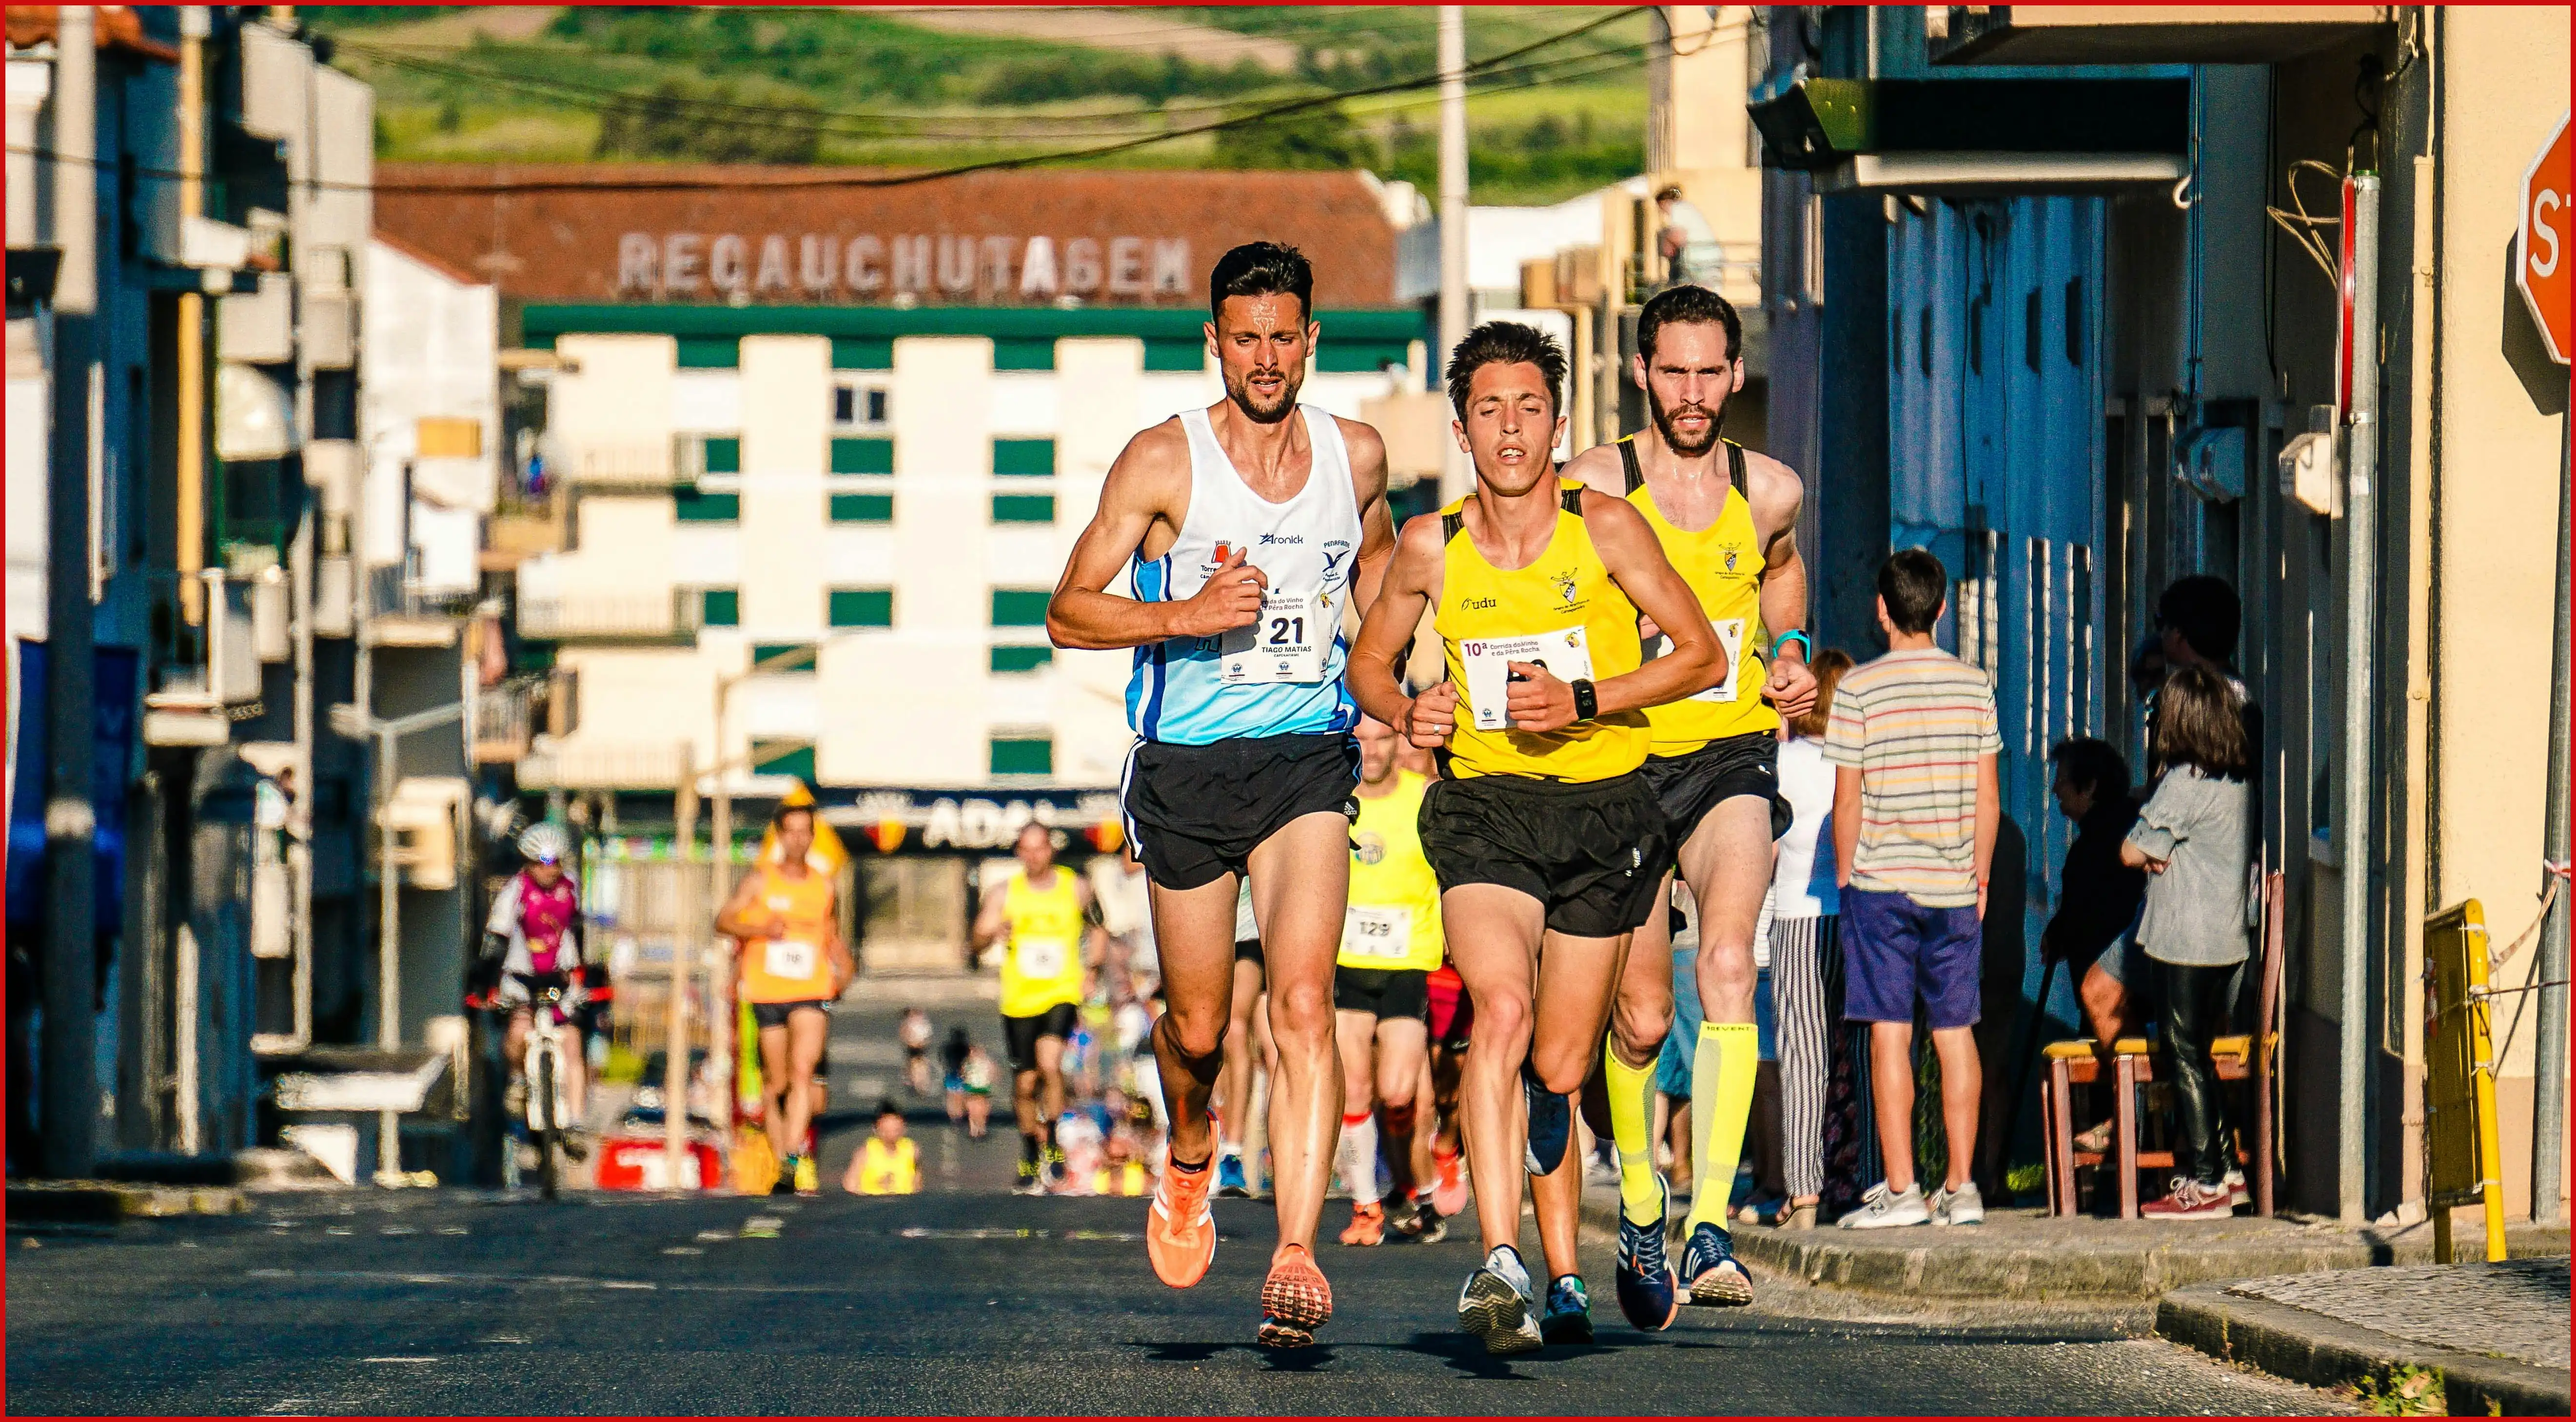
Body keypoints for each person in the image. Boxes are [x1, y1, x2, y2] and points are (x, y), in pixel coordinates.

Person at [1044, 240, 1396, 1348]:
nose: (1264, 357)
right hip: (1187, 770)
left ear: (1310, 340)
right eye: (1243, 337)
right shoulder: (1163, 461)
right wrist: (1185, 615)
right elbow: (1068, 610)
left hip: (1304, 757)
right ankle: (1189, 1149)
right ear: (1214, 341)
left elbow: (1380, 576)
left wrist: (1396, 682)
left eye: (1283, 336)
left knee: (1300, 1003)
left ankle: (1293, 1247)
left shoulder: (1358, 455)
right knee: (1197, 1028)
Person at [1348, 320, 1720, 1355]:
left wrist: (1586, 697)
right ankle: (1501, 1258)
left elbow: (1694, 656)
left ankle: (1585, 1227)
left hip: (1603, 811)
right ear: (1461, 428)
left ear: (1557, 424)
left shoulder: (1605, 528)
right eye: (1487, 410)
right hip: (1486, 810)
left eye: (1527, 408)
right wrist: (1407, 707)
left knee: (1560, 1066)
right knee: (1499, 1010)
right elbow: (1369, 666)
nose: (1508, 428)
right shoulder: (1432, 545)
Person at [1560, 283, 1818, 1325]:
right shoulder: (1590, 486)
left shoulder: (1769, 491)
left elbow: (1780, 579)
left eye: (1711, 371)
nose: (1693, 392)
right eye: (1672, 370)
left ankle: (1711, 1225)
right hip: (1620, 762)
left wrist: (1791, 654)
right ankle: (1637, 1199)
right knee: (1637, 1017)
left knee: (1725, 961)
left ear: (1736, 373)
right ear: (1639, 374)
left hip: (1726, 754)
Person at [1826, 549, 2001, 1229]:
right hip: (1954, 883)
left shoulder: (1858, 690)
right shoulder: (1972, 685)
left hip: (1880, 883)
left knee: (1889, 1034)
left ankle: (1901, 1189)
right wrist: (1978, 873)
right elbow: (1986, 797)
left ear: (1880, 609)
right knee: (1955, 1033)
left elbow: (1848, 800)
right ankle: (1962, 1187)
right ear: (1939, 609)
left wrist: (1847, 876)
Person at [2125, 666, 2253, 1220]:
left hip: (2186, 938)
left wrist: (2153, 850)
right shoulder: (2236, 780)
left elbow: (2130, 851)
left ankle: (2206, 1185)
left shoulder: (2185, 781)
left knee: (2182, 1053)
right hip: (2226, 937)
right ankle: (2228, 1170)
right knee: (2198, 1052)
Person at [1331, 713, 1443, 1247]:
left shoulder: (1427, 797)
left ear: (1398, 742)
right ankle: (1366, 1206)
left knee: (1399, 1095)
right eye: (1361, 740)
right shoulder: (1334, 799)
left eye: (1381, 739)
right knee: (1355, 1088)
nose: (1371, 751)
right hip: (1348, 962)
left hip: (1407, 962)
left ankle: (1412, 1185)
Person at [715, 804, 853, 1197]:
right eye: (790, 831)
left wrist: (843, 967)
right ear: (779, 836)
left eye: (804, 831)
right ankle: (781, 1162)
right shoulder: (760, 881)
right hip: (768, 990)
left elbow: (831, 935)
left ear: (812, 837)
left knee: (802, 1070)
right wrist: (761, 927)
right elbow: (723, 921)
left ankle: (793, 1155)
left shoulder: (825, 886)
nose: (797, 839)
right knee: (776, 1083)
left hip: (811, 989)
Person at [970, 821, 1108, 1197]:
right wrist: (992, 933)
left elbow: (1099, 927)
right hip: (1019, 998)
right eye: (1026, 849)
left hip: (1061, 991)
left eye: (1040, 847)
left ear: (1051, 849)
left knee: (1050, 1063)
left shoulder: (1075, 887)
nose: (1034, 855)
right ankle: (1030, 1146)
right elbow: (975, 942)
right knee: (1025, 1081)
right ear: (1019, 852)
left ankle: (1053, 1140)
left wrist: (1092, 970)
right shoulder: (1004, 893)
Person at [1766, 647, 1853, 1230]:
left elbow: (1765, 847)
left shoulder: (1783, 763)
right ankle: (1865, 1178)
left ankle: (1804, 1192)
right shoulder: (1858, 761)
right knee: (1862, 1054)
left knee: (1802, 1057)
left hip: (1796, 917)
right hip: (1857, 919)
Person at [2043, 736, 2150, 1157]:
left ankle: (2119, 1131)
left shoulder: (2094, 847)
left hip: (2118, 1009)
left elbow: (2091, 926)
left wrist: (2062, 929)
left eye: (2062, 782)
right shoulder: (2128, 826)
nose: (2055, 790)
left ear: (2088, 788)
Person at [486, 822, 592, 1142]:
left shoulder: (571, 888)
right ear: (529, 863)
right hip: (521, 979)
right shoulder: (515, 892)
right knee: (519, 1031)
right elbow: (496, 939)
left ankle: (574, 1120)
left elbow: (579, 933)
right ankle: (519, 1079)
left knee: (571, 1041)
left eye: (556, 862)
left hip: (558, 978)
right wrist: (487, 983)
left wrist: (585, 977)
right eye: (543, 863)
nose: (551, 870)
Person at [1214, 879, 1266, 1198]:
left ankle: (1233, 1153)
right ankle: (1194, 1141)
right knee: (1204, 1035)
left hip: (1250, 933)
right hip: (1204, 927)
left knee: (1236, 1029)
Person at [848, 1099, 921, 1196]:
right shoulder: (866, 1152)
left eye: (895, 1130)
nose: (891, 1135)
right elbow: (850, 1186)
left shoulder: (911, 1150)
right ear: (876, 1130)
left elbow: (917, 1185)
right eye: (887, 1131)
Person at [1654, 185, 1720, 284]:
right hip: (1704, 257)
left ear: (1664, 203)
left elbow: (1679, 238)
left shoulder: (1677, 209)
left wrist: (1665, 239)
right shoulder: (1685, 209)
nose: (1663, 212)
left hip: (1701, 258)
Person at [899, 1007, 935, 1095]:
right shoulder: (916, 1022)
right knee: (916, 1065)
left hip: (918, 1045)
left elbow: (904, 1033)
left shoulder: (918, 1022)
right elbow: (904, 1033)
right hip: (915, 1045)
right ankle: (918, 1084)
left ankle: (920, 1084)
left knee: (919, 1065)